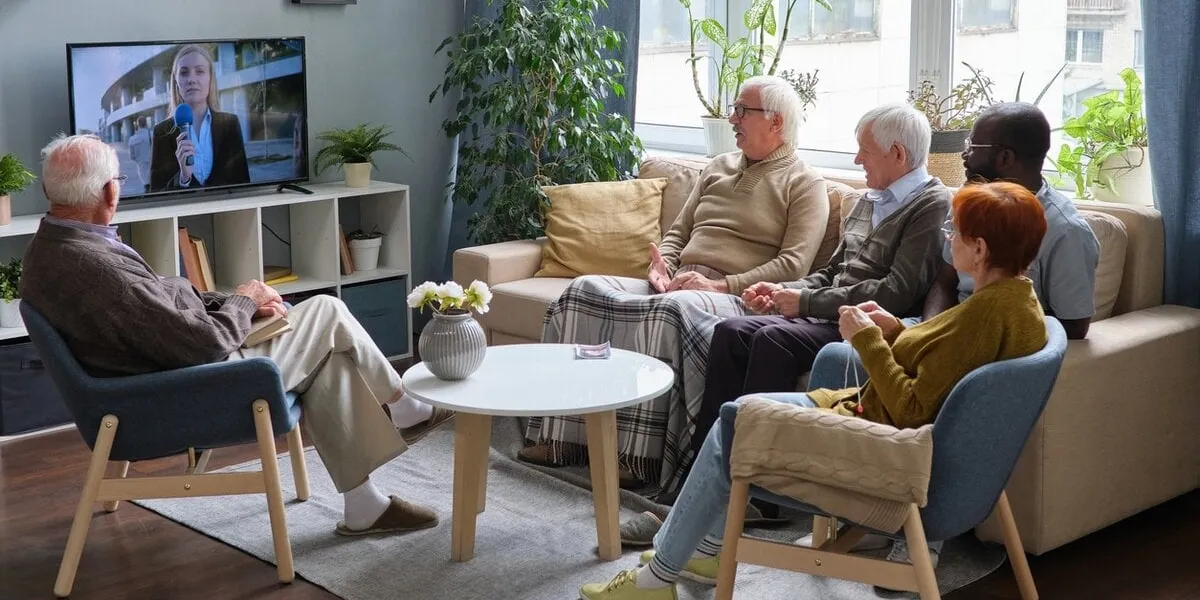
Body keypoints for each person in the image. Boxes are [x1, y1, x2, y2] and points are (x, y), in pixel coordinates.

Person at [577, 181, 1051, 600]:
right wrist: (893, 332)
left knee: (733, 426)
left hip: (885, 451)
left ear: (981, 249)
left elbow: (910, 406)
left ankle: (660, 577)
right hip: (880, 427)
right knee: (736, 414)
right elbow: (942, 369)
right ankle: (704, 548)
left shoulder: (984, 316)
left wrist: (865, 341)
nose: (948, 242)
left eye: (955, 234)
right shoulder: (1016, 303)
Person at [22, 134, 452, 537]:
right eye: (117, 180)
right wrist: (244, 300)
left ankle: (365, 505)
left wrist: (231, 303)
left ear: (51, 192)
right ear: (109, 193)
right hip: (193, 387)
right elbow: (201, 342)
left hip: (162, 372)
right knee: (327, 309)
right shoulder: (95, 267)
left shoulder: (54, 248)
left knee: (328, 355)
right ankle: (405, 408)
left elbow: (161, 307)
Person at [521, 75, 831, 497]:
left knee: (669, 311)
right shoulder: (718, 166)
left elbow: (794, 263)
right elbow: (679, 231)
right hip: (680, 282)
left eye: (743, 110)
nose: (732, 118)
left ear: (776, 122)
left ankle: (635, 457)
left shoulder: (805, 183)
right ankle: (562, 439)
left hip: (736, 297)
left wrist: (723, 284)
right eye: (734, 109)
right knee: (583, 290)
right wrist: (661, 267)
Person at [693, 103, 950, 474]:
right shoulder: (869, 197)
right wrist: (782, 289)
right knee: (731, 332)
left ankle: (758, 486)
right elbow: (831, 271)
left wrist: (805, 301)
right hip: (826, 312)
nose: (857, 158)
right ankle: (705, 470)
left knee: (773, 341)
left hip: (862, 324)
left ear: (897, 154)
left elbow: (897, 291)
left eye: (865, 150)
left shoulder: (931, 204)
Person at [923, 102, 1100, 339]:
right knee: (858, 349)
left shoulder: (1065, 231)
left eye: (972, 147)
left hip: (997, 347)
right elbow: (945, 281)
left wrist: (981, 340)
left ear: (1005, 158)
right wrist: (927, 336)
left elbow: (1074, 327)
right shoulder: (970, 201)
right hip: (947, 331)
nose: (965, 156)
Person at [150, 44, 251, 192]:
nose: (191, 79)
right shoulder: (162, 131)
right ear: (176, 82)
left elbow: (243, 183)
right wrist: (183, 178)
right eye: (184, 73)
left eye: (200, 71)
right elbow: (156, 194)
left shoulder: (230, 124)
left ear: (210, 79)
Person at [127, 116, 152, 193]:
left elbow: (132, 157)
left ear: (137, 125)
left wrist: (140, 160)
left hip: (143, 172)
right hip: (156, 171)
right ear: (146, 124)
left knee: (147, 191)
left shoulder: (132, 139)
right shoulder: (153, 134)